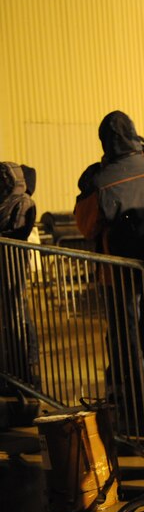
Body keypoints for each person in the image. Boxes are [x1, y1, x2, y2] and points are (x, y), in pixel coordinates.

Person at [75, 111, 144, 425]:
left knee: (128, 339)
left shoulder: (102, 180)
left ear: (105, 142)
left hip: (119, 275)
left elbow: (87, 225)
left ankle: (139, 407)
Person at [0, 161, 40, 391]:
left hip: (12, 266)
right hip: (8, 264)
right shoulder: (12, 203)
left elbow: (16, 229)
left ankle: (25, 369)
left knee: (17, 316)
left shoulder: (21, 203)